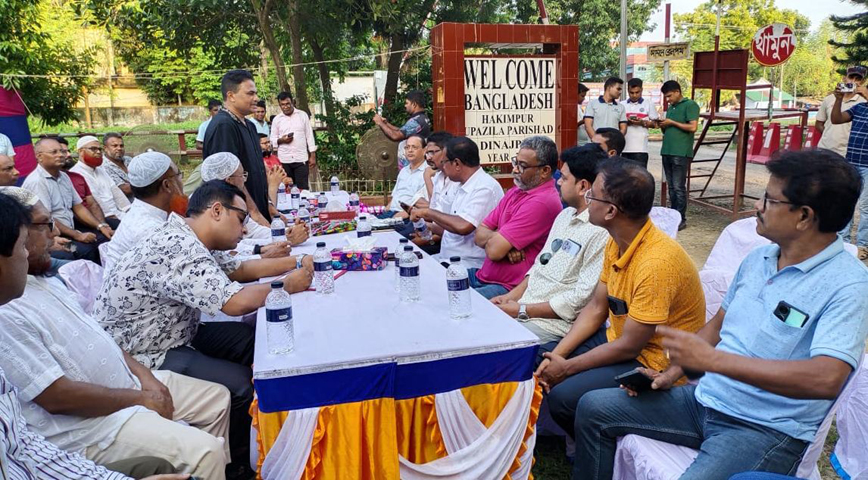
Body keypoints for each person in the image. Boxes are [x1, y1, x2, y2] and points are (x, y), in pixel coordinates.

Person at [574, 150, 868, 480]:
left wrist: (714, 362)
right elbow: (715, 328)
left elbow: (827, 378)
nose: (757, 206)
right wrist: (670, 374)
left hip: (763, 428)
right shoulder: (758, 259)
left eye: (768, 200)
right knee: (592, 408)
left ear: (804, 217)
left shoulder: (848, 284)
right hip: (705, 400)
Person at [0, 187, 231, 479]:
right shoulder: (8, 309)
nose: (54, 235)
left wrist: (145, 379)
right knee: (204, 451)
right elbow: (57, 398)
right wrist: (141, 400)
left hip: (129, 382)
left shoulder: (43, 280)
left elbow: (99, 335)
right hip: (91, 425)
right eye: (43, 226)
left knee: (216, 399)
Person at [95, 181, 314, 477]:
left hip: (177, 330)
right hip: (146, 352)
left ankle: (284, 419)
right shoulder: (178, 245)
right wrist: (287, 286)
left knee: (250, 339)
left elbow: (239, 270)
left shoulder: (192, 234)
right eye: (241, 220)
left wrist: (299, 260)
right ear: (217, 211)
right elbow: (234, 303)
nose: (244, 230)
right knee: (241, 385)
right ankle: (237, 465)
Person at [536, 158, 705, 442]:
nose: (586, 198)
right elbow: (596, 307)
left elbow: (630, 346)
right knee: (540, 356)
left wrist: (567, 368)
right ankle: (585, 437)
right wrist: (560, 356)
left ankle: (601, 440)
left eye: (592, 195)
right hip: (617, 339)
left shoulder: (656, 262)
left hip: (652, 361)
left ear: (611, 210)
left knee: (564, 397)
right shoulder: (617, 239)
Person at [491, 144, 609, 347]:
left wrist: (521, 309)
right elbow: (540, 266)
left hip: (551, 327)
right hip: (524, 310)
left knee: (484, 345)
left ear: (582, 186)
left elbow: (580, 300)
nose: (558, 182)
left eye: (563, 178)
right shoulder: (564, 215)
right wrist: (510, 298)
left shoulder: (601, 231)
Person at [469, 136, 563, 299]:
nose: (515, 170)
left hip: (508, 289)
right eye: (516, 162)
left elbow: (494, 251)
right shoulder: (517, 190)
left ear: (545, 171)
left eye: (523, 166)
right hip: (483, 276)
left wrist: (499, 238)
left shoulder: (542, 202)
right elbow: (478, 235)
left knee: (454, 302)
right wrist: (504, 240)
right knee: (437, 283)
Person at [410, 137, 503, 268]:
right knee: (406, 262)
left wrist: (428, 212)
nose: (443, 166)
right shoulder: (461, 184)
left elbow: (463, 227)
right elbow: (451, 230)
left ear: (457, 164)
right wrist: (426, 226)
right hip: (447, 258)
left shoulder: (484, 187)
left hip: (469, 264)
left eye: (444, 162)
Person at [22, 137, 113, 263]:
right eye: (54, 152)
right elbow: (47, 218)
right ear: (39, 156)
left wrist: (100, 225)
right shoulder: (37, 181)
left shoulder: (64, 177)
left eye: (62, 151)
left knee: (103, 239)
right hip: (50, 237)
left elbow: (78, 207)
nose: (60, 155)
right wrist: (78, 235)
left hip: (70, 230)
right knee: (81, 250)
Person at [200, 151, 307, 253]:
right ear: (229, 180)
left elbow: (255, 231)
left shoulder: (233, 200)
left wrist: (287, 232)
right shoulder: (210, 208)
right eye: (242, 176)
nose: (244, 180)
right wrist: (286, 239)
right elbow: (232, 249)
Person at [203, 70, 270, 219]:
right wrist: (253, 212)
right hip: (241, 218)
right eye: (250, 94)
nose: (256, 98)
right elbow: (230, 179)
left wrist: (268, 205)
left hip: (259, 210)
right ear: (231, 96)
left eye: (256, 93)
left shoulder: (250, 125)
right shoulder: (224, 126)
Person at [103, 151, 188, 269]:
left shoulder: (144, 210)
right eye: (178, 175)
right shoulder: (151, 229)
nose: (181, 181)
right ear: (167, 185)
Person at [830, 77, 868, 260]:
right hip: (852, 162)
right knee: (847, 202)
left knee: (866, 207)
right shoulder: (859, 108)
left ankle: (863, 245)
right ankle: (844, 242)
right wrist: (838, 99)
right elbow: (837, 119)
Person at [659, 80, 700, 231]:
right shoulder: (671, 108)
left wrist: (672, 122)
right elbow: (668, 129)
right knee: (671, 186)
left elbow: (693, 127)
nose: (668, 99)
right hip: (667, 151)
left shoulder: (690, 105)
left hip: (680, 152)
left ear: (677, 92)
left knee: (678, 186)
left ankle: (681, 218)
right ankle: (673, 215)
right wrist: (663, 125)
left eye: (669, 96)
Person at [71, 136, 131, 220]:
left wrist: (129, 210)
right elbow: (96, 202)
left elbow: (116, 191)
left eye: (100, 149)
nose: (98, 152)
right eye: (93, 149)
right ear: (81, 151)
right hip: (105, 218)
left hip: (120, 214)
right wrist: (116, 218)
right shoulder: (76, 173)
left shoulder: (100, 170)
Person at [270, 91, 318, 190]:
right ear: (279, 105)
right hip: (284, 160)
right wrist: (282, 140)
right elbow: (272, 139)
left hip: (301, 159)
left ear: (293, 102)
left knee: (303, 189)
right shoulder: (277, 119)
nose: (285, 107)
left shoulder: (302, 115)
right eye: (282, 105)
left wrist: (312, 155)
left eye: (287, 103)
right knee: (286, 189)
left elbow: (309, 135)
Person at [815, 65, 866, 158]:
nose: (853, 81)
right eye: (851, 77)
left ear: (862, 82)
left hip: (847, 152)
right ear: (844, 78)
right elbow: (819, 124)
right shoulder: (829, 99)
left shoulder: (864, 102)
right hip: (825, 149)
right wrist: (828, 136)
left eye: (858, 79)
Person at [373, 90, 432, 169]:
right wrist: (386, 124)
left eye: (407, 103)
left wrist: (380, 123)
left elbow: (396, 136)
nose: (405, 105)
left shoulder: (415, 121)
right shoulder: (422, 118)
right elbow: (402, 131)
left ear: (414, 104)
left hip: (412, 167)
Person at [380, 134, 427, 219]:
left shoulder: (428, 173)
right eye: (407, 147)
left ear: (424, 150)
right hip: (391, 213)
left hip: (408, 217)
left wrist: (407, 214)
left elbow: (427, 203)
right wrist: (385, 210)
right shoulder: (403, 171)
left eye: (414, 147)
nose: (410, 150)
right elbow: (396, 196)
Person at [622, 78, 659, 169]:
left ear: (642, 90)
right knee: (624, 179)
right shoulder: (621, 105)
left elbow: (656, 124)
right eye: (631, 92)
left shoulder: (648, 104)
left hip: (640, 149)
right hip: (623, 148)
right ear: (628, 91)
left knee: (640, 179)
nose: (634, 95)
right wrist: (626, 122)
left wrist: (642, 122)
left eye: (637, 92)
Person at [102, 132, 134, 201]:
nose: (119, 148)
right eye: (115, 146)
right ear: (105, 148)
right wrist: (146, 183)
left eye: (121, 146)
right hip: (125, 205)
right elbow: (124, 190)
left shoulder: (129, 160)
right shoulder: (103, 166)